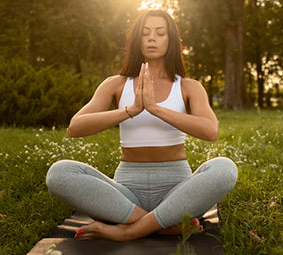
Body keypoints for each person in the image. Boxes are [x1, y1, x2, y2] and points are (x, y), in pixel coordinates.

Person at [46, 9, 238, 241]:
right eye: (145, 33)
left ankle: (129, 231)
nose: (151, 38)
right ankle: (162, 224)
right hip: (127, 193)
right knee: (59, 172)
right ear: (137, 40)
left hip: (176, 190)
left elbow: (211, 131)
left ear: (171, 41)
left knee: (225, 168)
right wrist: (131, 110)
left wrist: (156, 109)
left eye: (160, 33)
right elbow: (75, 127)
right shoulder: (115, 84)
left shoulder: (189, 87)